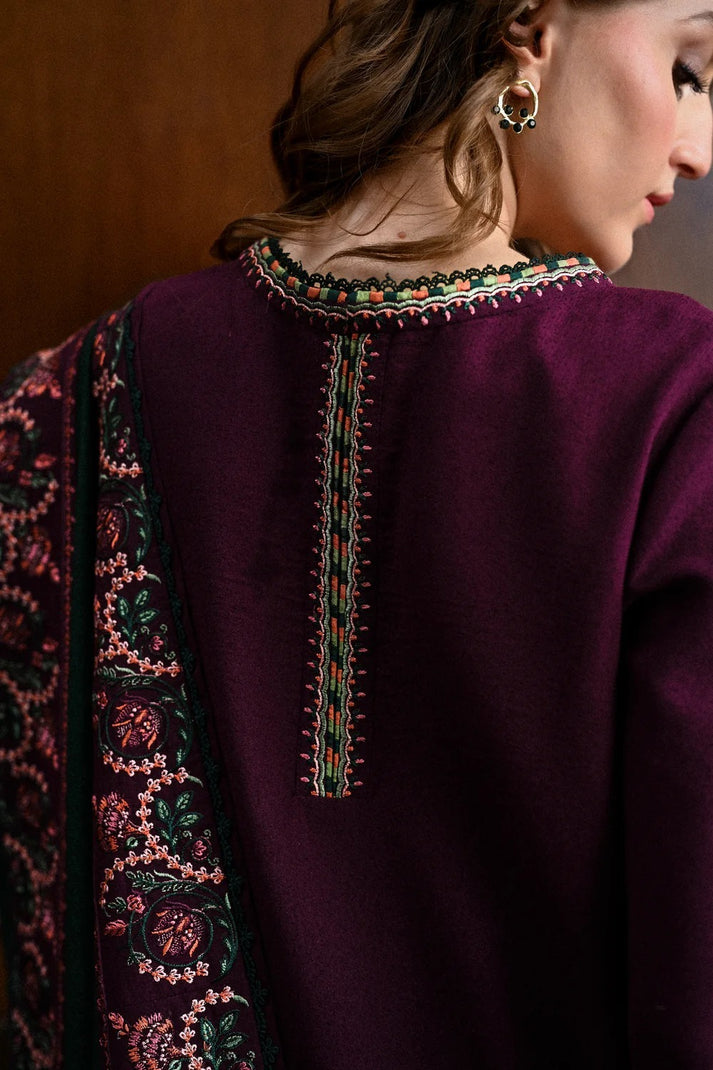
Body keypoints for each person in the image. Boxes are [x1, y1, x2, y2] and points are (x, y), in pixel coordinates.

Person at [2, 0, 713, 1066]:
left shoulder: (70, 396)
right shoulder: (674, 399)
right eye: (688, 67)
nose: (698, 149)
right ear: (529, 24)